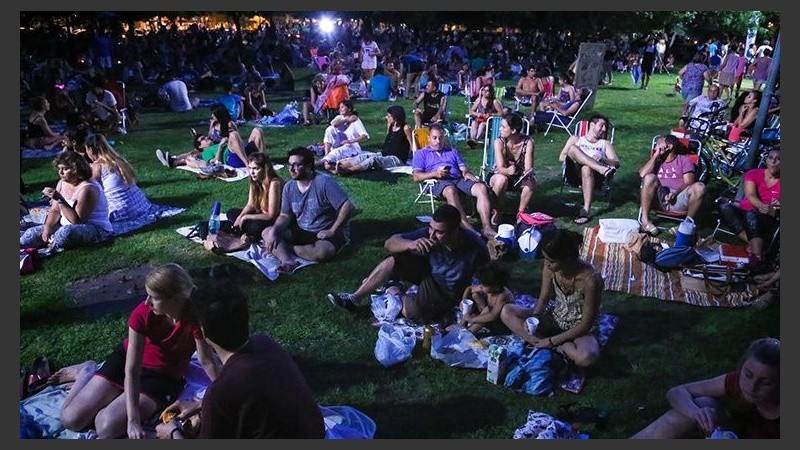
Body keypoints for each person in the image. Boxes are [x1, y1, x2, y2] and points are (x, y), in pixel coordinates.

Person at [48, 263, 221, 439]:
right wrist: (133, 421)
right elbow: (132, 370)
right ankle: (86, 372)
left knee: (106, 428)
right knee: (71, 419)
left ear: (175, 299)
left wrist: (228, 386)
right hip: (128, 362)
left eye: (154, 297)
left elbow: (207, 361)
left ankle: (111, 400)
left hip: (162, 376)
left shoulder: (195, 318)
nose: (147, 302)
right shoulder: (142, 314)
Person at [155, 279, 325, 439]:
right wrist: (202, 405)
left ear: (204, 333)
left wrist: (173, 433)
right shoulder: (266, 344)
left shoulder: (222, 391)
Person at [327, 203, 489, 324]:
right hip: (428, 271)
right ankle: (354, 298)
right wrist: (410, 244)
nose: (432, 235)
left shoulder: (475, 248)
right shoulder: (428, 234)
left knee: (413, 314)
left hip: (448, 290)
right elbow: (390, 243)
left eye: (439, 232)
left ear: (456, 231)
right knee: (393, 259)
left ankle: (393, 290)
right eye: (431, 228)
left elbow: (484, 283)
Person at [631, 337, 779, 439]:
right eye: (748, 374)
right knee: (702, 404)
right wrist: (697, 414)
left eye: (765, 382)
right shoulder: (737, 381)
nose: (751, 386)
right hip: (732, 433)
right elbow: (676, 392)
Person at [500, 228, 603, 368]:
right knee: (507, 312)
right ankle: (545, 344)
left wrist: (551, 341)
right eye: (546, 259)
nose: (547, 264)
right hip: (556, 317)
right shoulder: (550, 269)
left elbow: (586, 324)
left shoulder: (591, 280)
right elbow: (543, 300)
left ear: (568, 259)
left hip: (579, 330)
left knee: (587, 357)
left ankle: (547, 344)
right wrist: (534, 319)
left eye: (552, 261)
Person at [260, 146, 355, 273]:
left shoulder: (324, 182)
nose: (292, 169)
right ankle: (287, 260)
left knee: (321, 253)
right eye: (289, 165)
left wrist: (332, 230)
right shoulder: (289, 187)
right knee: (267, 232)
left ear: (309, 166)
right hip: (302, 229)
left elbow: (347, 206)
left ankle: (283, 248)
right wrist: (274, 232)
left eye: (296, 165)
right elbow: (285, 215)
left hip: (324, 231)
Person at [412, 123, 497, 239]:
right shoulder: (421, 154)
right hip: (436, 181)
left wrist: (466, 172)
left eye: (441, 138)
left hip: (458, 179)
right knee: (451, 191)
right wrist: (435, 173)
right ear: (429, 138)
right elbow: (416, 177)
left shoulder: (452, 151)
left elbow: (463, 168)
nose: (438, 141)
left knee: (481, 188)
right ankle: (469, 230)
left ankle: (487, 227)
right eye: (434, 138)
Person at [20, 151, 113, 251]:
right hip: (64, 224)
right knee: (31, 234)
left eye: (65, 169)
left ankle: (51, 246)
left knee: (65, 233)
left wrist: (60, 199)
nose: (61, 172)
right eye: (59, 168)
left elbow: (76, 221)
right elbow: (55, 210)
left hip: (94, 228)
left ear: (76, 169)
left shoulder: (88, 188)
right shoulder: (62, 183)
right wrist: (48, 228)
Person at [717, 147, 780, 269]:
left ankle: (757, 258)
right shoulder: (754, 174)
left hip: (768, 218)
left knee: (751, 215)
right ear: (766, 159)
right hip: (748, 211)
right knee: (724, 206)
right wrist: (761, 205)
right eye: (770, 157)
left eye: (778, 159)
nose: (773, 161)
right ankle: (756, 244)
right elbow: (750, 194)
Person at [638, 134, 706, 236]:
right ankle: (645, 222)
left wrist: (675, 193)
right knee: (649, 178)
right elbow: (643, 175)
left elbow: (689, 183)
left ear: (669, 146)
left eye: (659, 143)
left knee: (700, 187)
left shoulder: (684, 160)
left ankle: (686, 226)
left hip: (678, 199)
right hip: (659, 198)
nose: (655, 146)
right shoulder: (656, 161)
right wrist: (655, 156)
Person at [557, 114, 619, 225]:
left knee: (586, 168)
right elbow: (562, 156)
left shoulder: (605, 144)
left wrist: (603, 159)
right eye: (602, 125)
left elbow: (616, 163)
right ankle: (600, 168)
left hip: (595, 177)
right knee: (572, 149)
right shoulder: (576, 139)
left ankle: (586, 211)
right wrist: (582, 158)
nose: (604, 129)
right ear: (591, 125)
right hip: (574, 173)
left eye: (606, 127)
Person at [83, 133, 155, 222]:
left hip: (120, 210)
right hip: (140, 205)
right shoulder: (119, 160)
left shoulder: (97, 167)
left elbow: (90, 191)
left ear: (90, 150)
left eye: (86, 149)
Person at [222, 152, 285, 246]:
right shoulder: (255, 180)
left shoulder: (274, 183)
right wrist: (240, 217)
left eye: (256, 168)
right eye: (250, 168)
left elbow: (272, 215)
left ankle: (244, 231)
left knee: (255, 226)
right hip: (260, 213)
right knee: (231, 213)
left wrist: (246, 217)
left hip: (274, 219)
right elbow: (251, 204)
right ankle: (242, 229)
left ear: (265, 169)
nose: (252, 172)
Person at [333, 105, 412, 176]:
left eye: (389, 116)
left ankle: (348, 170)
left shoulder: (406, 128)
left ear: (395, 118)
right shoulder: (391, 126)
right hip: (384, 153)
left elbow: (412, 145)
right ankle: (342, 167)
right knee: (364, 156)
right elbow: (389, 140)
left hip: (397, 159)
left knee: (372, 160)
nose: (386, 117)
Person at [488, 112, 537, 223]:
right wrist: (509, 170)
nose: (500, 129)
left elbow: (528, 168)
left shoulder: (528, 142)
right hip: (498, 174)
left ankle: (521, 213)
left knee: (531, 183)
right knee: (501, 179)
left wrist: (526, 173)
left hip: (517, 176)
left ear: (513, 130)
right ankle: (497, 210)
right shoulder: (499, 142)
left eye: (503, 127)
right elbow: (500, 168)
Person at [449, 260, 513, 336]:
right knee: (475, 295)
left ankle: (468, 332)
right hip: (489, 312)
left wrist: (472, 319)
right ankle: (461, 325)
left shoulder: (503, 296)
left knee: (485, 314)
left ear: (496, 287)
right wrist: (463, 301)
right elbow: (469, 289)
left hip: (500, 322)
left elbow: (492, 316)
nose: (481, 287)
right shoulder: (491, 288)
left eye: (483, 286)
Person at [317, 100, 370, 169]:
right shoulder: (340, 117)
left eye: (342, 107)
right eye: (339, 107)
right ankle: (326, 155)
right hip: (339, 143)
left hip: (351, 146)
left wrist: (350, 141)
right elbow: (334, 124)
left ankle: (322, 162)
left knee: (337, 151)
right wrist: (347, 120)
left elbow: (364, 136)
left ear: (349, 109)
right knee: (329, 129)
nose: (340, 109)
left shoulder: (356, 121)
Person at [467, 84, 504, 149]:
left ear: (490, 93)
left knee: (482, 125)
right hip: (479, 118)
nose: (484, 92)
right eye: (484, 90)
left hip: (489, 120)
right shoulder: (479, 99)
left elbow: (501, 113)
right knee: (474, 123)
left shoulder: (494, 101)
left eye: (487, 91)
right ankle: (472, 139)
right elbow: (471, 111)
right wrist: (477, 114)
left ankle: (475, 141)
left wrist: (491, 114)